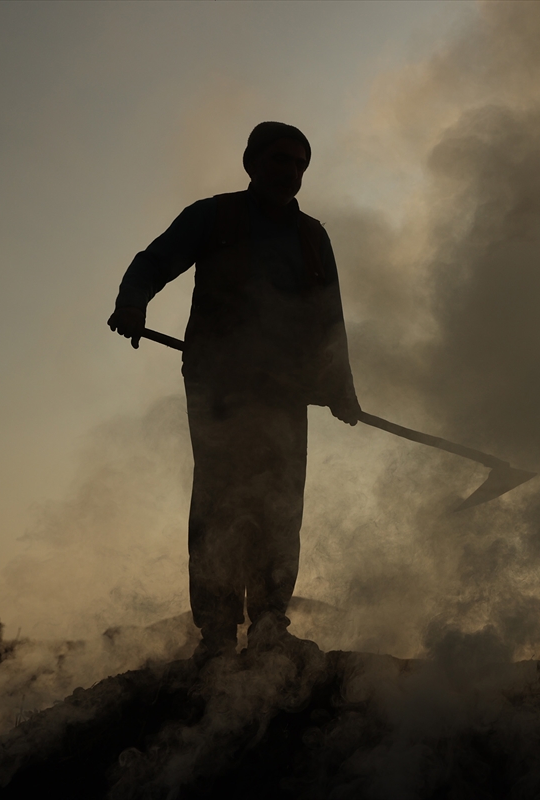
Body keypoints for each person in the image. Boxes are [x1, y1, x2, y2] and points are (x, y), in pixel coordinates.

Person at [107, 122, 360, 664]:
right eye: (279, 160)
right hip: (218, 383)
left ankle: (270, 627)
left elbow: (329, 321)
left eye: (299, 164)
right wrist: (133, 301)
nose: (290, 171)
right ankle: (217, 636)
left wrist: (342, 388)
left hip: (286, 394)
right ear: (251, 163)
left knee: (280, 504)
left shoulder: (312, 238)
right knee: (221, 503)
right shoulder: (214, 216)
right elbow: (153, 261)